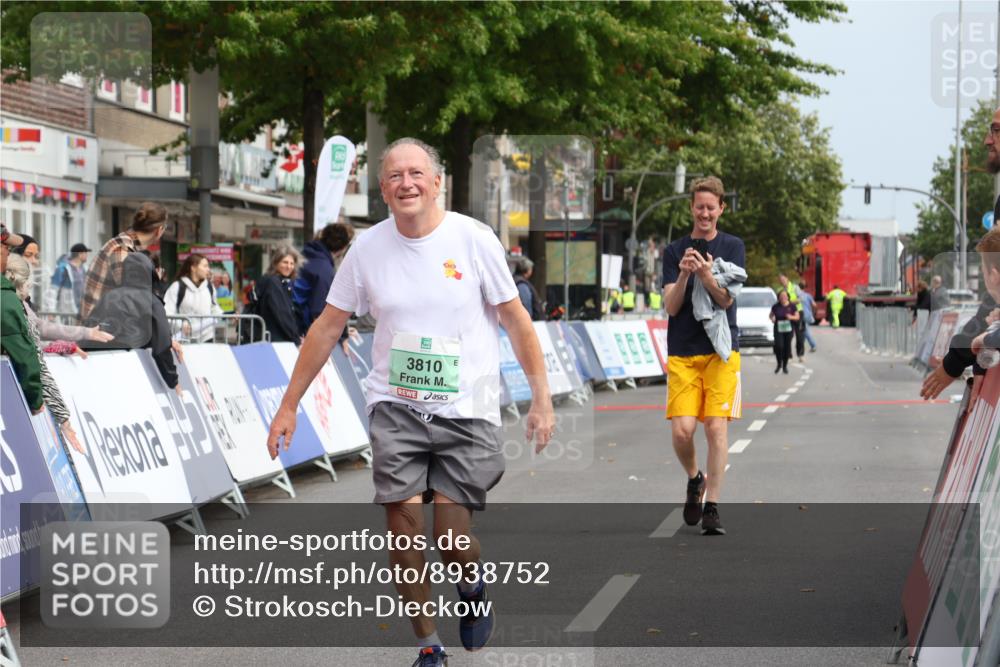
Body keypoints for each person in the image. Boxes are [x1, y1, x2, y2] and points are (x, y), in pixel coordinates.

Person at [267, 138, 554, 667]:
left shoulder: (473, 239)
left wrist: (541, 397)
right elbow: (327, 326)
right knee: (402, 526)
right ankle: (429, 644)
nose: (407, 183)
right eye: (395, 176)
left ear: (437, 182)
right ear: (382, 189)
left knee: (451, 538)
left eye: (417, 173)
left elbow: (516, 320)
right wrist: (289, 405)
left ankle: (472, 587)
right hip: (395, 407)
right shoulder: (368, 250)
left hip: (466, 411)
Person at [662, 176, 746, 537]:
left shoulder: (733, 246)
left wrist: (707, 275)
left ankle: (712, 506)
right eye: (700, 207)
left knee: (715, 427)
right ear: (691, 208)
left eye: (711, 207)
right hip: (683, 351)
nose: (705, 213)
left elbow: (726, 300)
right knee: (682, 431)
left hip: (721, 353)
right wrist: (684, 274)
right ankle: (695, 478)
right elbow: (671, 306)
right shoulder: (674, 250)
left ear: (721, 209)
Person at [5, 253, 85, 453]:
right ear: (23, 283)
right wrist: (56, 413)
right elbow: (32, 361)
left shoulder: (18, 307)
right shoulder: (15, 308)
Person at [84, 252, 182, 394]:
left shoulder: (109, 296)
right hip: (129, 371)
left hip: (96, 366)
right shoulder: (152, 301)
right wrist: (173, 381)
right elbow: (161, 346)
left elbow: (88, 331)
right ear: (151, 272)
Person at [12, 234, 114, 346]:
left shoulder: (83, 269)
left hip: (77, 313)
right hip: (64, 312)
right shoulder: (63, 269)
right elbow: (52, 291)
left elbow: (36, 330)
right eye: (29, 255)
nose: (35, 261)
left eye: (36, 256)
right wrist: (51, 310)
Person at [80, 202, 169, 323]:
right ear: (159, 230)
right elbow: (131, 297)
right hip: (98, 326)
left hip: (103, 323)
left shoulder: (125, 245)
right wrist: (153, 281)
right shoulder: (122, 248)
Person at [0, 225, 44, 413]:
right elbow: (23, 352)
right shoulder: (5, 298)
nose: (8, 254)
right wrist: (36, 400)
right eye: (6, 248)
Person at [293, 222, 354, 330]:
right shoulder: (324, 271)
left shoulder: (305, 256)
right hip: (305, 330)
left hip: (293, 325)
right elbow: (319, 313)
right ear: (343, 247)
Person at [164, 253, 224, 343]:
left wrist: (221, 314)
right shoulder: (177, 287)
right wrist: (181, 325)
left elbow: (214, 307)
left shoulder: (209, 287)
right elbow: (167, 312)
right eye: (205, 266)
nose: (208, 269)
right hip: (184, 339)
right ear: (193, 268)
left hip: (207, 338)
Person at [255, 245, 305, 343]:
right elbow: (282, 313)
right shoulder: (273, 282)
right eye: (285, 262)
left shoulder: (283, 282)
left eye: (292, 263)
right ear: (276, 263)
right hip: (275, 340)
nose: (289, 266)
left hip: (277, 338)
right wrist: (295, 338)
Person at [47, 243, 90, 313]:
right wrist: (51, 311)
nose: (87, 255)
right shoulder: (63, 269)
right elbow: (53, 290)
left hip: (81, 311)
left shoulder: (85, 269)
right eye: (85, 253)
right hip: (67, 312)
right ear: (80, 254)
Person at [770, 290, 800, 374]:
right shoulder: (776, 306)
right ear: (778, 297)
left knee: (787, 347)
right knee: (779, 346)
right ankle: (779, 363)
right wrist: (772, 318)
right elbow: (771, 315)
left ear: (788, 297)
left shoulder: (792, 306)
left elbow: (797, 317)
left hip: (788, 329)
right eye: (781, 296)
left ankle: (785, 366)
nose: (783, 297)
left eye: (785, 296)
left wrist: (791, 317)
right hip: (778, 328)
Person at [778, 274, 806, 361]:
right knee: (788, 335)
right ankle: (788, 355)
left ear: (787, 279)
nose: (782, 281)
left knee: (799, 335)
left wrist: (790, 303)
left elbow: (801, 298)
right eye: (781, 280)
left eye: (783, 279)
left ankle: (800, 354)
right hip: (787, 314)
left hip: (798, 313)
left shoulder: (795, 287)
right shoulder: (780, 290)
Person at [797, 281, 818, 353]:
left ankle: (813, 345)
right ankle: (801, 346)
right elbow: (814, 305)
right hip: (808, 314)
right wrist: (813, 312)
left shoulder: (797, 296)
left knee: (805, 331)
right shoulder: (808, 295)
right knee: (803, 330)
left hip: (801, 314)